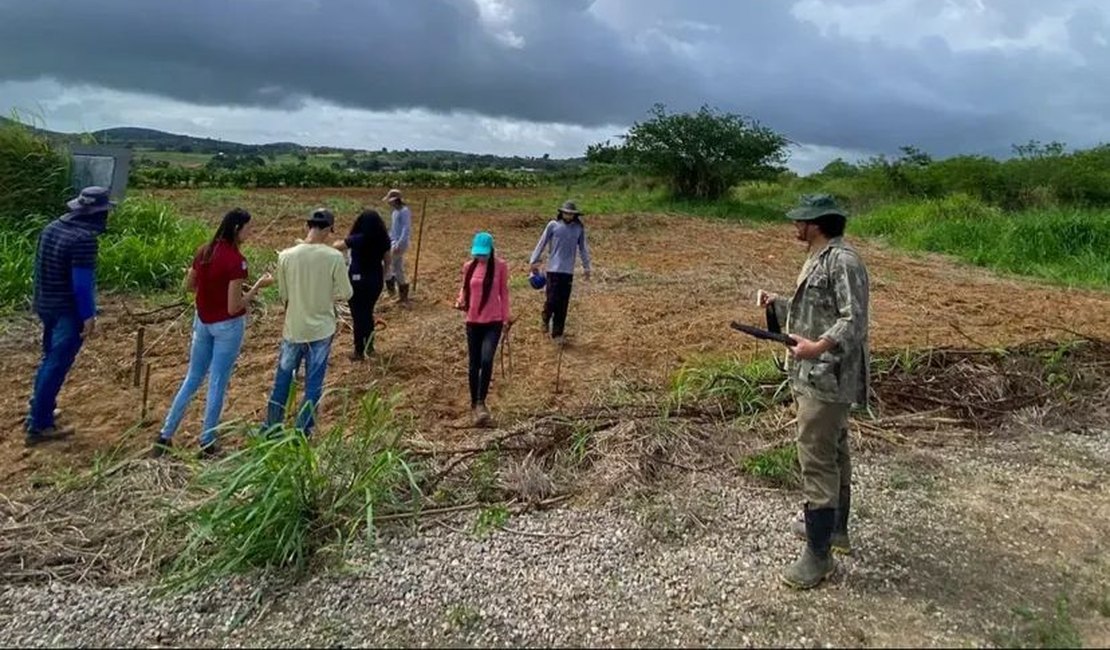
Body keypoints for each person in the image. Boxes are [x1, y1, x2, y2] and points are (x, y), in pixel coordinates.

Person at [758, 194, 871, 590]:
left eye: (801, 220)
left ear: (817, 224)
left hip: (828, 376)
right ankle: (834, 532)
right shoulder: (820, 258)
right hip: (818, 374)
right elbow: (816, 312)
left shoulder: (843, 261)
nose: (795, 226)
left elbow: (852, 320)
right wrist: (778, 303)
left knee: (817, 459)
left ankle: (817, 556)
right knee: (835, 451)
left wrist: (817, 347)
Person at [153, 208, 273, 457]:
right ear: (237, 228)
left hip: (202, 321)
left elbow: (189, 286)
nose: (251, 232)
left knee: (192, 378)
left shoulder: (203, 251)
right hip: (227, 327)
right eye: (249, 228)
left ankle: (165, 436)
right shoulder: (236, 261)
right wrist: (257, 287)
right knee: (217, 381)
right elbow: (234, 306)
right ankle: (207, 441)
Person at [25, 186, 116, 447]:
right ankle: (39, 424)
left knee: (48, 359)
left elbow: (39, 268)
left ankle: (40, 408)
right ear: (96, 214)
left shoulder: (52, 228)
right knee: (55, 364)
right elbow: (81, 285)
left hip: (46, 304)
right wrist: (88, 316)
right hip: (68, 310)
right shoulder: (83, 239)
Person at [264, 208, 353, 435]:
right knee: (314, 384)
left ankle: (272, 429)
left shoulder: (285, 256)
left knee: (282, 381)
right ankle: (303, 431)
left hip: (293, 328)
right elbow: (346, 292)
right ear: (327, 230)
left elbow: (284, 295)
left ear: (308, 226)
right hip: (322, 330)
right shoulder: (334, 257)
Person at [454, 232, 512, 427]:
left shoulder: (500, 266)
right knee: (474, 363)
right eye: (478, 254)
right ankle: (474, 402)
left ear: (491, 251)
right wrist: (461, 300)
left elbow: (504, 292)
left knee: (487, 360)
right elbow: (464, 288)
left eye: (484, 254)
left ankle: (481, 401)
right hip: (473, 321)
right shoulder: (468, 267)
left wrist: (505, 318)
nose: (481, 257)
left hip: (493, 322)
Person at [528, 200, 592, 344]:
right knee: (552, 299)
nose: (568, 216)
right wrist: (533, 261)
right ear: (561, 213)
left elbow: (583, 248)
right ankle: (545, 316)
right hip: (553, 270)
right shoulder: (553, 225)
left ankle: (557, 333)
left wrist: (587, 267)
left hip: (568, 271)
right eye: (566, 213)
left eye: (571, 214)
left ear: (575, 215)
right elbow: (542, 242)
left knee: (563, 303)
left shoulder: (578, 228)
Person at [333, 209, 392, 360]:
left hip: (357, 281)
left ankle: (359, 351)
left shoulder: (358, 238)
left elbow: (337, 246)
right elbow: (388, 261)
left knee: (358, 316)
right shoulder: (383, 239)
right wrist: (383, 276)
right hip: (375, 281)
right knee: (368, 313)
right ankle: (369, 346)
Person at [382, 188, 412, 304]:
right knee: (397, 267)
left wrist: (398, 243)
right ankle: (400, 295)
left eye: (390, 200)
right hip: (394, 242)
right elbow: (394, 230)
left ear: (395, 200)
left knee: (388, 265)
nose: (389, 203)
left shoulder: (404, 211)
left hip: (399, 244)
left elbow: (406, 229)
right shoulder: (395, 212)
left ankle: (393, 293)